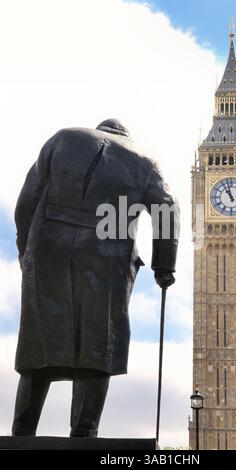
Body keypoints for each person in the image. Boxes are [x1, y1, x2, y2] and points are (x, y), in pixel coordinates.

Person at [12, 119, 180, 437]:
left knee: (39, 342)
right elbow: (167, 209)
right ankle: (85, 432)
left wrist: (26, 251)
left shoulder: (62, 138)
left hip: (48, 249)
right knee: (99, 343)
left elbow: (27, 198)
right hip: (107, 259)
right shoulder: (144, 161)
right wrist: (164, 266)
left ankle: (22, 432)